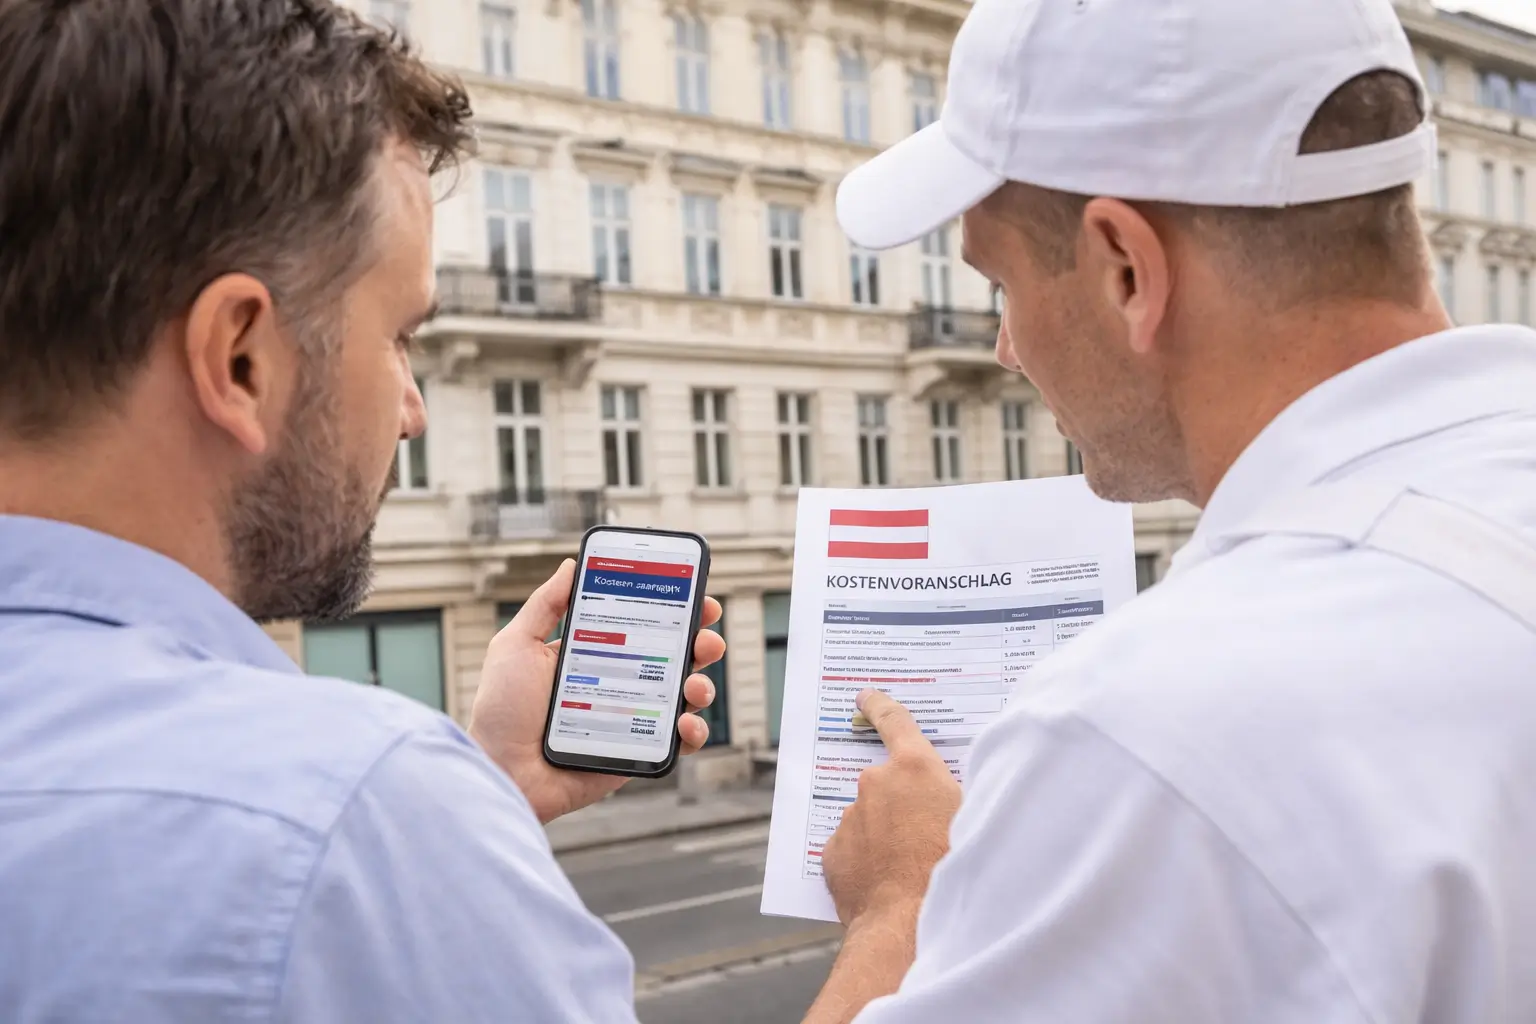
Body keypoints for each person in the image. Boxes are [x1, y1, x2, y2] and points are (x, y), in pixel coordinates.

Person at [805, 0, 1536, 1021]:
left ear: (1126, 269)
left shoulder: (1139, 737)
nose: (1007, 348)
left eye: (1002, 282)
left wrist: (900, 909)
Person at [0, 2, 727, 1020]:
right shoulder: (356, 812)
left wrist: (483, 789)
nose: (413, 410)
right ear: (240, 359)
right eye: (398, 337)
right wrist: (895, 914)